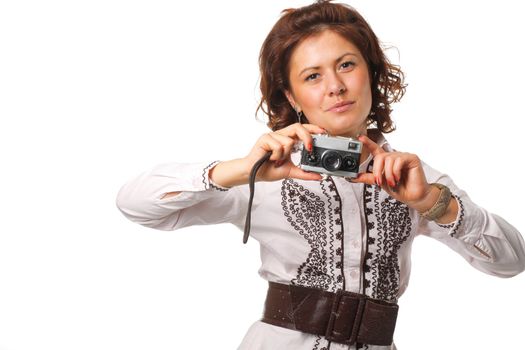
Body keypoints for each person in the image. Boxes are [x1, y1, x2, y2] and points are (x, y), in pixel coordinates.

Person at [115, 1, 525, 349]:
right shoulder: (263, 175)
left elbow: (512, 262)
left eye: (346, 65)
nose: (335, 86)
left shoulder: (412, 177)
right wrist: (241, 169)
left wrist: (434, 204)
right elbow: (137, 205)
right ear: (292, 96)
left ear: (373, 73)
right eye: (313, 76)